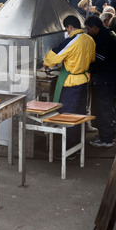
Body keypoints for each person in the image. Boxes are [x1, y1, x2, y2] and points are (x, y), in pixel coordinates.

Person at [43, 15, 95, 151]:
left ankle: (69, 149)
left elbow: (54, 55)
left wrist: (46, 63)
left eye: (67, 29)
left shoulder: (72, 40)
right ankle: (78, 147)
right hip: (84, 80)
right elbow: (91, 58)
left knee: (68, 116)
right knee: (79, 115)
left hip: (71, 83)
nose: (67, 32)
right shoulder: (89, 39)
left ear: (70, 27)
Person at [85, 15, 116, 147]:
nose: (88, 32)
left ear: (95, 27)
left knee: (104, 108)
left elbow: (99, 60)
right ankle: (108, 134)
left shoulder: (102, 38)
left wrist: (88, 69)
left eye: (88, 29)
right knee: (109, 107)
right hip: (113, 77)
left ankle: (106, 139)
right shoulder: (110, 33)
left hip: (105, 79)